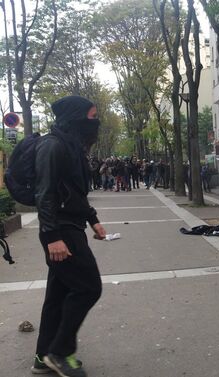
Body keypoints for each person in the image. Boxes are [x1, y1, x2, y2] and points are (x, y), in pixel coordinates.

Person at [32, 96, 106, 377]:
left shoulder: (70, 146)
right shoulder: (52, 145)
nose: (94, 123)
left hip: (70, 226)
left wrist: (93, 219)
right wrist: (52, 236)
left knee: (59, 293)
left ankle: (42, 355)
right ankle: (60, 351)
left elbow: (74, 192)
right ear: (75, 117)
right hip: (60, 231)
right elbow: (44, 194)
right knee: (89, 287)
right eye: (91, 117)